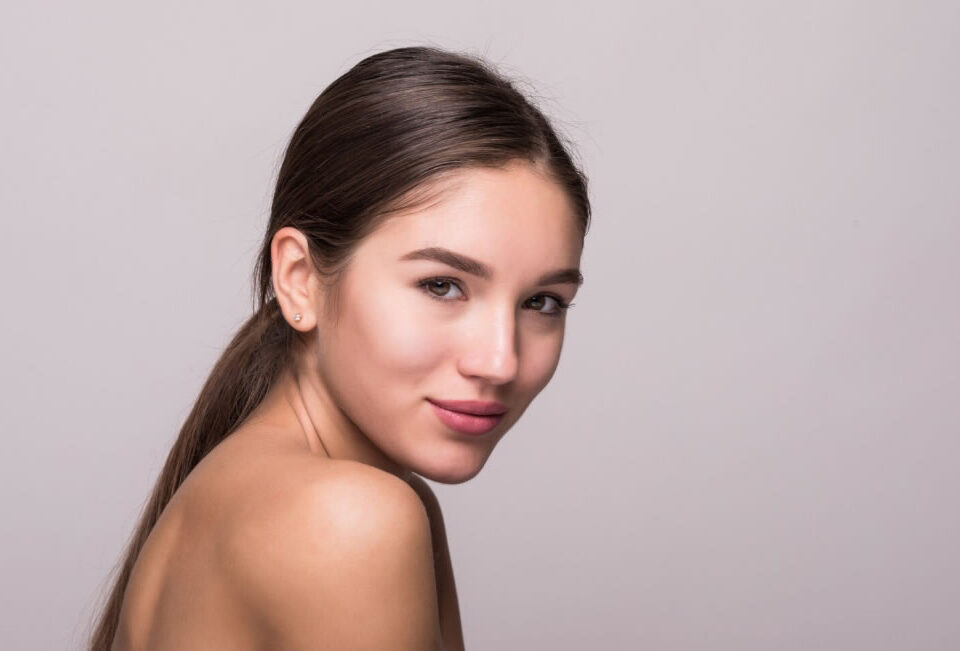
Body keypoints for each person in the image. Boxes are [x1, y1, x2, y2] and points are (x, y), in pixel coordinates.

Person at [88, 45, 591, 651]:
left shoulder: (264, 488)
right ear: (300, 279)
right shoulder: (351, 519)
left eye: (542, 302)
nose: (500, 361)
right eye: (441, 285)